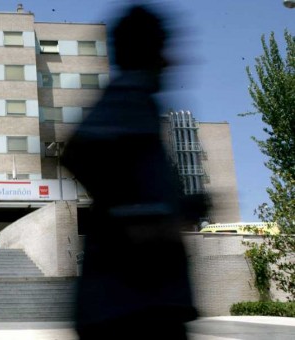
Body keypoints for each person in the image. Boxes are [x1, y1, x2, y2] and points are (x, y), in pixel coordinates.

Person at [61, 5, 208, 339]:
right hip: (130, 308)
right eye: (163, 48)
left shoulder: (141, 102)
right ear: (149, 50)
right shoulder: (128, 95)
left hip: (143, 304)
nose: (171, 60)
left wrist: (178, 209)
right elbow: (78, 151)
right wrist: (133, 219)